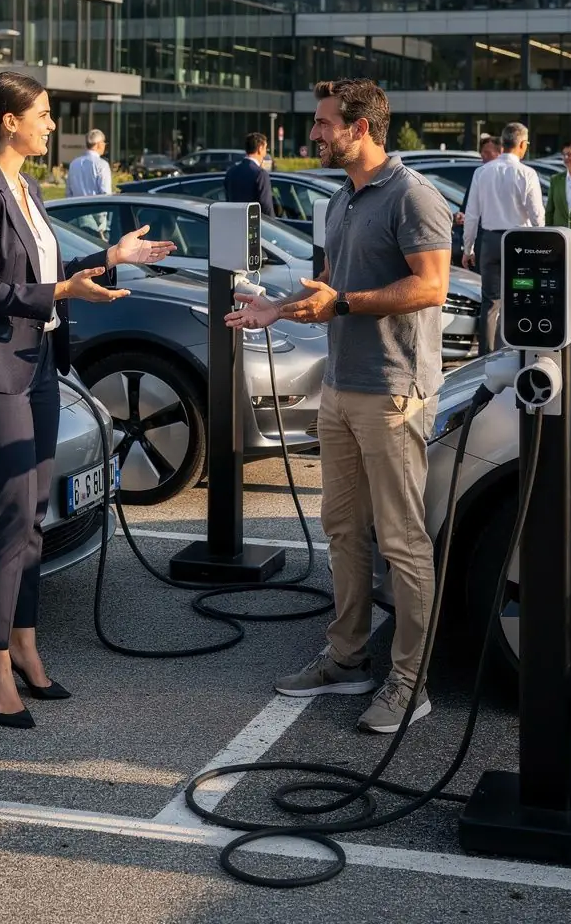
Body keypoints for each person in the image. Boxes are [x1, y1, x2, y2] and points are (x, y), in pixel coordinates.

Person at [0, 73, 175, 728]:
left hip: (38, 363)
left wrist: (109, 256)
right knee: (12, 515)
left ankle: (24, 644)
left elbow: (44, 272)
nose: (51, 125)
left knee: (34, 515)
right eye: (43, 114)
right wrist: (67, 292)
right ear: (9, 122)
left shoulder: (27, 187)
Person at [226, 78, 452, 734]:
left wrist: (344, 303)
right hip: (341, 388)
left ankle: (410, 684)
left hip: (393, 391)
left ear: (361, 128)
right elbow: (330, 289)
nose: (314, 134)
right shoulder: (340, 199)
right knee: (344, 530)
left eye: (325, 123)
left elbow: (431, 286)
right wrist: (277, 308)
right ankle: (347, 658)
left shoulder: (412, 195)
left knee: (403, 541)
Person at [462, 122, 544, 354]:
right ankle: (512, 351)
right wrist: (541, 247)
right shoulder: (527, 173)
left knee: (490, 302)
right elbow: (537, 216)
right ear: (522, 144)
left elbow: (471, 214)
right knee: (519, 297)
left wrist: (468, 249)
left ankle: (485, 357)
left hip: (490, 242)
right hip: (519, 244)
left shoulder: (482, 172)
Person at [224, 132, 274, 217]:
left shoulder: (231, 172)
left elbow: (228, 200)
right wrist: (273, 223)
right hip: (254, 222)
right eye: (265, 149)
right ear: (260, 148)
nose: (265, 153)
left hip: (234, 221)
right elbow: (266, 207)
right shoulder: (260, 174)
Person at [544, 139, 571, 251]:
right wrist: (548, 236)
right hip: (559, 241)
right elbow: (550, 211)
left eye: (570, 154)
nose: (566, 158)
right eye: (564, 155)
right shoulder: (556, 180)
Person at [66, 129, 112, 198]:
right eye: (103, 142)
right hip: (95, 204)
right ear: (99, 144)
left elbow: (68, 193)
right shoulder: (102, 165)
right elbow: (105, 193)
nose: (104, 145)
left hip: (76, 204)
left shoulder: (74, 163)